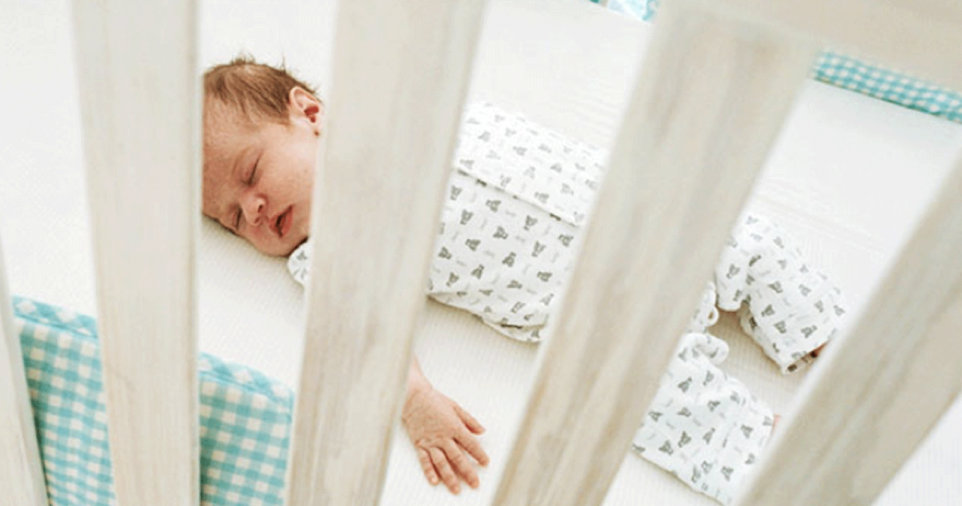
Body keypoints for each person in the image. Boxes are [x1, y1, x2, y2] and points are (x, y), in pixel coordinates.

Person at [202, 57, 844, 504]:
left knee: (750, 238)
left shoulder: (410, 113)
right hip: (600, 307)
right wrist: (415, 402)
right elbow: (362, 333)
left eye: (252, 172)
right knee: (640, 390)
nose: (254, 208)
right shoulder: (329, 254)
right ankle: (769, 455)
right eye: (234, 218)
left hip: (653, 214)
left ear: (309, 112)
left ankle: (828, 337)